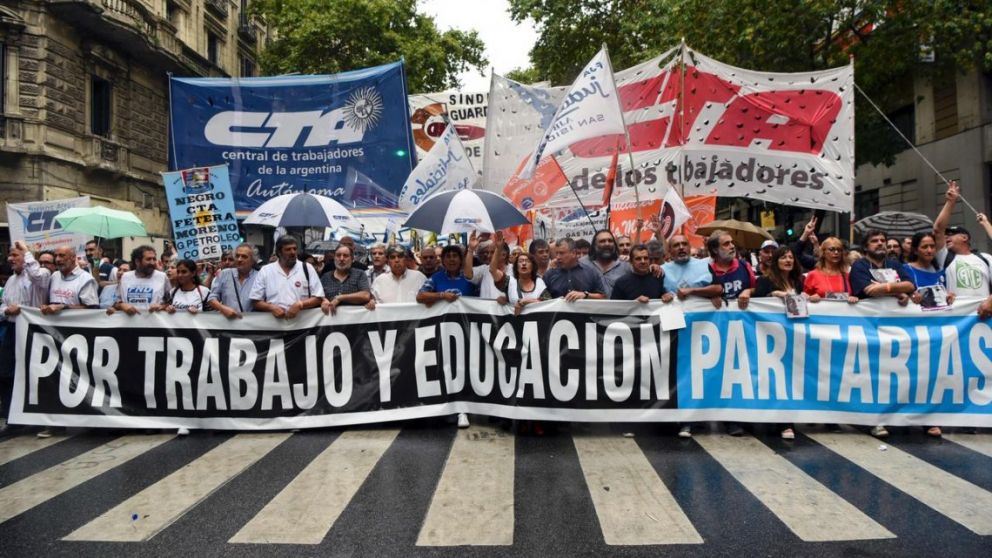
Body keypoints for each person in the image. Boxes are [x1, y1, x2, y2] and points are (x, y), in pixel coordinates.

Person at [849, 229, 915, 440]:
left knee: (892, 373)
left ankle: (893, 415)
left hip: (894, 328)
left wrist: (887, 287)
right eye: (874, 241)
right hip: (869, 328)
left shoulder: (894, 264)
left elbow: (910, 285)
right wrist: (897, 290)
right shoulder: (860, 266)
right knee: (871, 374)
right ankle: (873, 420)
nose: (880, 243)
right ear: (865, 246)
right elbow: (868, 290)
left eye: (882, 240)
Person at [751, 246, 806, 439]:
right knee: (773, 377)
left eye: (791, 257)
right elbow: (756, 303)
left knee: (789, 378)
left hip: (793, 337)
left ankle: (786, 420)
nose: (788, 260)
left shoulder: (798, 281)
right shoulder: (765, 281)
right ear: (776, 261)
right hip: (770, 337)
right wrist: (772, 295)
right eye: (783, 257)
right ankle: (778, 420)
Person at [0, 241, 51, 433]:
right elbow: (3, 306)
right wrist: (7, 311)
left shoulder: (41, 274)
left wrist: (27, 251)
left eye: (15, 255)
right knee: (6, 374)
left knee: (34, 374)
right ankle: (12, 418)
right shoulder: (10, 281)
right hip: (12, 331)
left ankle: (36, 418)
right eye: (10, 255)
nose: (10, 259)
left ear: (26, 257)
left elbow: (38, 277)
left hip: (34, 331)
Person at [249, 236, 324, 319]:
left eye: (295, 249)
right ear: (279, 252)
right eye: (288, 249)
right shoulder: (266, 270)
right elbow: (255, 301)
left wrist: (300, 304)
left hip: (303, 323)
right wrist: (271, 307)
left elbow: (319, 298)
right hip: (273, 323)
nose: (293, 252)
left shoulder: (307, 268)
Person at [662, 234, 722, 308]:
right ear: (669, 250)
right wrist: (663, 295)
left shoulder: (706, 264)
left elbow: (719, 288)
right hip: (675, 312)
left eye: (684, 244)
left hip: (701, 312)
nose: (681, 247)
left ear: (689, 247)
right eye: (676, 245)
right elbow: (655, 294)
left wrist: (711, 294)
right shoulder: (662, 270)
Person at [112, 245, 171, 315]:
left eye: (154, 259)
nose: (152, 262)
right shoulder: (125, 277)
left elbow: (171, 302)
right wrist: (122, 305)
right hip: (129, 321)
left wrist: (162, 306)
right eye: (148, 259)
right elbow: (116, 302)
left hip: (154, 321)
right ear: (137, 261)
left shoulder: (162, 277)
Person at [42, 245, 99, 314]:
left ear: (73, 257)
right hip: (52, 320)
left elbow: (92, 309)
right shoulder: (54, 276)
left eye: (62, 256)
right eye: (56, 256)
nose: (57, 259)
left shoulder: (86, 279)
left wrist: (64, 307)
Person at [706, 230, 756, 310]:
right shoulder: (707, 271)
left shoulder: (745, 265)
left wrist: (748, 291)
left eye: (732, 242)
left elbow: (756, 288)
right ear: (715, 250)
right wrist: (710, 297)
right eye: (726, 244)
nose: (732, 246)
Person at [207, 243, 258, 319]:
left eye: (244, 257)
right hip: (228, 323)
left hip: (252, 324)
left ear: (253, 261)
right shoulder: (224, 274)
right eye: (237, 256)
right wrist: (222, 308)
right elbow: (211, 298)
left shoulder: (259, 276)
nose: (239, 259)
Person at [320, 243, 372, 315]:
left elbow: (365, 295)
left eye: (345, 256)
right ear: (334, 258)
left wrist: (340, 298)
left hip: (356, 319)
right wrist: (324, 300)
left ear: (352, 259)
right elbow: (319, 296)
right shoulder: (325, 277)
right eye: (338, 255)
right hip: (331, 320)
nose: (341, 259)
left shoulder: (360, 274)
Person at [803, 237, 858, 303]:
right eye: (832, 249)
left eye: (839, 250)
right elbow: (804, 299)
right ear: (823, 252)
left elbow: (855, 295)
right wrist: (810, 298)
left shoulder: (848, 275)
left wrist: (853, 298)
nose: (836, 252)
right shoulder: (813, 275)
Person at [580, 230, 631, 298]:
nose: (607, 244)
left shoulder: (625, 264)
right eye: (602, 241)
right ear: (594, 245)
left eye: (610, 241)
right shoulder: (582, 263)